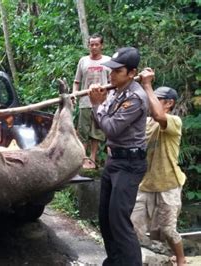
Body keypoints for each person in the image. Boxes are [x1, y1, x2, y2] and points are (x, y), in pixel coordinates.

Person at [89, 47, 148, 265]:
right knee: (105, 218)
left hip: (130, 164)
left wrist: (96, 104)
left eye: (117, 71)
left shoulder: (135, 98)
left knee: (119, 221)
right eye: (110, 70)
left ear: (132, 73)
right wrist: (100, 103)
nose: (111, 75)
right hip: (114, 161)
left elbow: (111, 128)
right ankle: (114, 261)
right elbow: (100, 121)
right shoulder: (115, 92)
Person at [131, 68, 187, 266]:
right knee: (132, 225)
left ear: (169, 103)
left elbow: (158, 116)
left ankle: (181, 259)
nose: (149, 101)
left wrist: (147, 85)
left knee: (168, 230)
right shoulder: (145, 123)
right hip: (145, 184)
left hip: (168, 183)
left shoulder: (173, 121)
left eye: (156, 98)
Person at [73, 33, 111, 169]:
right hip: (85, 102)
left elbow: (112, 82)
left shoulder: (108, 61)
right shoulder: (83, 61)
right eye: (91, 44)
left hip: (102, 103)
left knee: (97, 132)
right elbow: (77, 81)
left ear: (102, 46)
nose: (94, 47)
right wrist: (74, 94)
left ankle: (92, 158)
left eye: (97, 44)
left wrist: (110, 99)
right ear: (88, 46)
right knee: (83, 130)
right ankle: (82, 158)